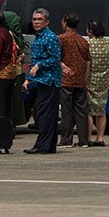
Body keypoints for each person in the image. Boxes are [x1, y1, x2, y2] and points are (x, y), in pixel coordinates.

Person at [23, 8, 62, 154]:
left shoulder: (50, 37)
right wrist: (28, 79)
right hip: (41, 80)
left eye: (39, 19)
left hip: (50, 80)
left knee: (45, 114)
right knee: (45, 114)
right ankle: (48, 145)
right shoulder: (38, 37)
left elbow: (55, 58)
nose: (36, 22)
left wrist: (40, 65)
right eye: (34, 19)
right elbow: (35, 60)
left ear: (47, 22)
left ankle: (43, 145)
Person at [58, 12, 91, 148]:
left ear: (65, 23)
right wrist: (85, 78)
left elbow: (56, 56)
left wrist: (62, 66)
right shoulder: (83, 40)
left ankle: (66, 140)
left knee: (67, 110)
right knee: (82, 111)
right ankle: (83, 140)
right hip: (80, 79)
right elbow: (88, 61)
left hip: (66, 80)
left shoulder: (61, 38)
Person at [86, 19, 109, 147]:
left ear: (90, 31)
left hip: (91, 80)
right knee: (101, 111)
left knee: (89, 111)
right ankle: (100, 138)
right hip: (104, 80)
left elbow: (87, 64)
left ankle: (88, 138)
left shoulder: (88, 44)